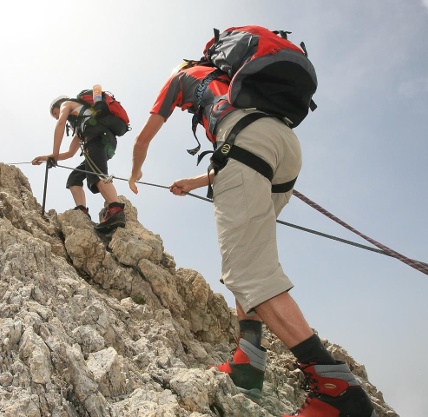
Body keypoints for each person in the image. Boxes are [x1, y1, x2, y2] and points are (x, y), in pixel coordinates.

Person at [128, 61, 376, 416]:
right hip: (283, 148)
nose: (186, 108)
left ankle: (336, 390)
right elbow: (238, 149)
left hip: (247, 144)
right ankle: (248, 362)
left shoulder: (181, 77)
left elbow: (143, 138)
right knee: (250, 258)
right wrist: (194, 182)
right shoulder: (232, 81)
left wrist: (135, 171)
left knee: (246, 270)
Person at [32, 95, 126, 232]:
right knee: (74, 179)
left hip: (97, 138)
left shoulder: (67, 104)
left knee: (97, 174)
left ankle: (115, 209)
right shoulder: (81, 124)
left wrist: (54, 152)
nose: (57, 116)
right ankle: (82, 211)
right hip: (99, 141)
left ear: (59, 106)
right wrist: (46, 158)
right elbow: (70, 153)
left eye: (55, 113)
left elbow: (60, 124)